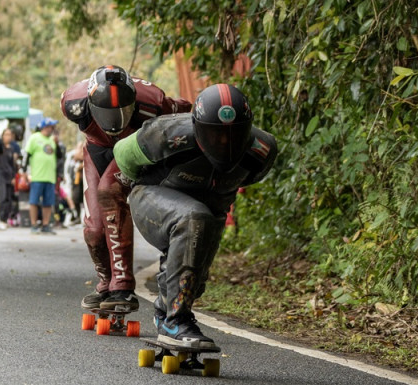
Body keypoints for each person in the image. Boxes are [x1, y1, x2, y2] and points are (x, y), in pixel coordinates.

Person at [113, 84, 277, 349]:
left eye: (234, 136)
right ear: (198, 127)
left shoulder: (262, 151)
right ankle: (176, 322)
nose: (225, 144)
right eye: (215, 135)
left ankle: (165, 312)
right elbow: (122, 154)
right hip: (151, 196)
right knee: (192, 218)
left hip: (211, 208)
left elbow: (250, 177)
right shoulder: (166, 133)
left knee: (192, 282)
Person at [61, 65, 192, 312]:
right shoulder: (73, 102)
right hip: (97, 151)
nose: (115, 121)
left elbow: (186, 111)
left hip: (133, 149)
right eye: (107, 114)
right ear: (90, 105)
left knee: (109, 192)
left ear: (134, 103)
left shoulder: (153, 102)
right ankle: (105, 283)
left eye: (123, 112)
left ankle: (122, 286)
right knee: (94, 230)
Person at [21, 118, 59, 234]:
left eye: (52, 127)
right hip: (37, 176)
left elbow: (58, 157)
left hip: (50, 176)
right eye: (50, 127)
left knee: (48, 202)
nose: (51, 129)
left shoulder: (52, 141)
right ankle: (33, 224)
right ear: (44, 127)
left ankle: (46, 224)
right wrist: (23, 171)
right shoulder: (35, 137)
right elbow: (26, 154)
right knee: (34, 201)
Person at [0, 128, 21, 229]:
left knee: (9, 199)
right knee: (2, 198)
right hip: (0, 176)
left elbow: (12, 165)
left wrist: (14, 176)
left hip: (9, 176)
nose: (8, 137)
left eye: (10, 135)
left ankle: (5, 218)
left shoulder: (11, 149)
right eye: (6, 134)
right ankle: (0, 218)